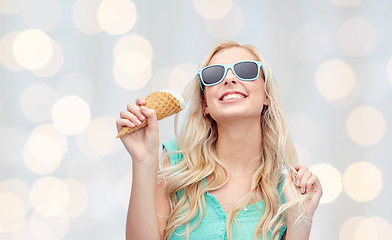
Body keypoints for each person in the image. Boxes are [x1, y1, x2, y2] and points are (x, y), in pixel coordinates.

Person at [116, 41, 323, 240]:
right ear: (205, 103)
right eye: (214, 75)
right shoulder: (175, 164)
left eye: (246, 70)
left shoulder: (286, 191)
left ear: (266, 94)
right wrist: (143, 161)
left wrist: (301, 218)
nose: (230, 79)